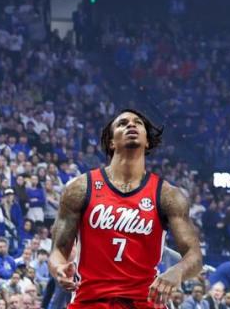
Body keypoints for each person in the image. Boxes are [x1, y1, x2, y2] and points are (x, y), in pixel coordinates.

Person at [49, 109, 203, 308]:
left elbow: (195, 256)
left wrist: (178, 271)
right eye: (122, 123)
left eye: (138, 123)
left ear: (147, 141)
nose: (131, 125)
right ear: (112, 142)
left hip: (143, 301)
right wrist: (59, 267)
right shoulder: (79, 188)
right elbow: (58, 250)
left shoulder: (168, 195)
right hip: (91, 300)